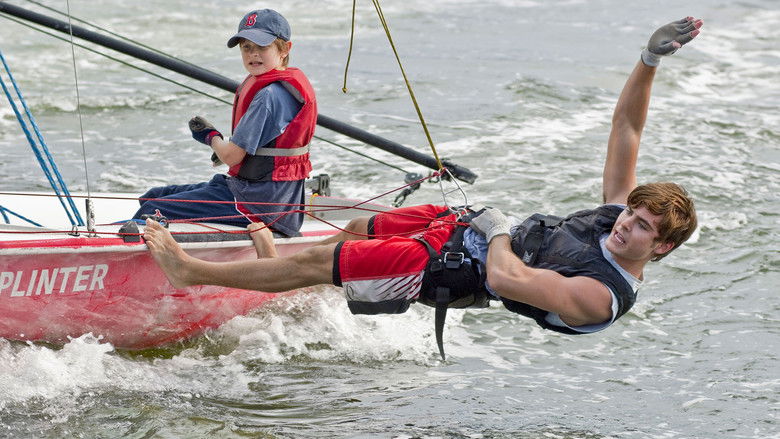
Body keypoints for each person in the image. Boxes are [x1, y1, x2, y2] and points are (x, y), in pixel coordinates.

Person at [143, 17, 701, 357]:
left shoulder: (600, 297)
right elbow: (626, 129)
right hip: (466, 230)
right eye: (632, 213)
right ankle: (287, 277)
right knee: (358, 226)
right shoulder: (617, 216)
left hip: (450, 268)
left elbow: (509, 277)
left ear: (663, 247)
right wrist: (648, 58)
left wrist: (497, 226)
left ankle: (194, 271)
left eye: (642, 228)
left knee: (324, 264)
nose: (627, 223)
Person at [133, 9, 317, 237]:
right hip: (271, 198)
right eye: (247, 47)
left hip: (259, 205)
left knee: (152, 209)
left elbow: (231, 156)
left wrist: (210, 136)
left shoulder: (268, 96)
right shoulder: (276, 87)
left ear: (284, 49)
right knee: (153, 195)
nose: (253, 54)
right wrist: (223, 148)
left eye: (262, 47)